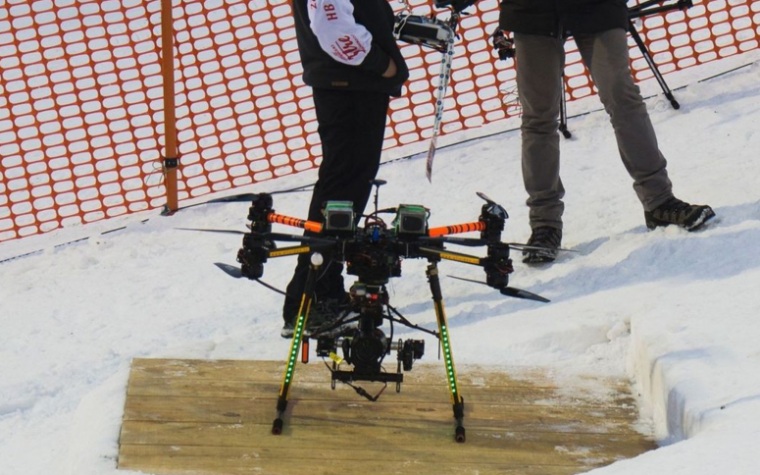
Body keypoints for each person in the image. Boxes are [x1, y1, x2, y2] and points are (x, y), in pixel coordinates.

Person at [498, 0, 715, 264]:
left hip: (598, 7)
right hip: (531, 11)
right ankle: (545, 225)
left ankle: (659, 201)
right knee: (538, 117)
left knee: (622, 97)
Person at [281, 0, 409, 337]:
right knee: (341, 192)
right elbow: (333, 27)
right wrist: (382, 65)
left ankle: (319, 292)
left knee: (343, 190)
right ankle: (311, 300)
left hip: (349, 83)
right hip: (350, 84)